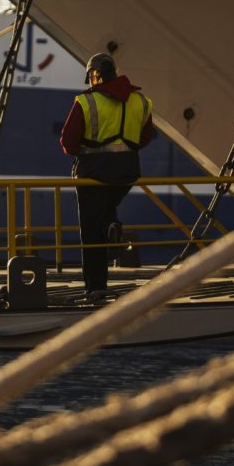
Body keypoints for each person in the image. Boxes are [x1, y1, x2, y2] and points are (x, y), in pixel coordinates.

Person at [59, 53, 157, 299]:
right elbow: (145, 138)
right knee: (105, 211)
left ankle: (96, 286)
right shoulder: (142, 101)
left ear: (96, 75)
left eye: (92, 76)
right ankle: (111, 225)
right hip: (127, 172)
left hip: (93, 173)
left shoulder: (86, 101)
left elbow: (68, 142)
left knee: (91, 231)